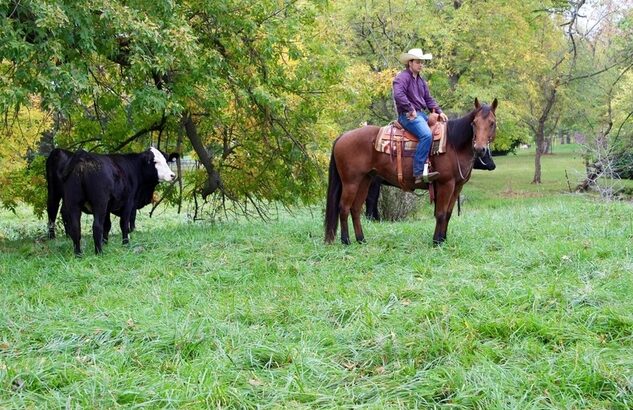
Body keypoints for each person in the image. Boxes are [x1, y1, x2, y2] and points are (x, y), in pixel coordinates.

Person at [393, 48, 448, 184]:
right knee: (426, 135)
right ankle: (418, 172)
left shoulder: (421, 81)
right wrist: (410, 108)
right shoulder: (402, 77)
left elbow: (428, 99)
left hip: (420, 115)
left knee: (441, 131)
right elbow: (398, 95)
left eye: (422, 62)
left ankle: (432, 166)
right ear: (410, 63)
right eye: (418, 62)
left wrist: (439, 111)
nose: (421, 64)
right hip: (407, 115)